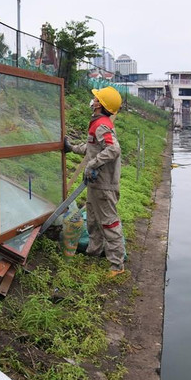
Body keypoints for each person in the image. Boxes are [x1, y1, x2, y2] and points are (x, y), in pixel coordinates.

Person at [64, 86, 126, 277]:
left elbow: (113, 149)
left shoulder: (102, 125)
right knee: (92, 218)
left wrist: (93, 165)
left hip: (104, 184)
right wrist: (71, 148)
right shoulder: (98, 123)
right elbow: (92, 147)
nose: (93, 100)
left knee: (108, 222)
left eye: (96, 98)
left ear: (101, 105)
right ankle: (94, 251)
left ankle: (117, 264)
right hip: (95, 183)